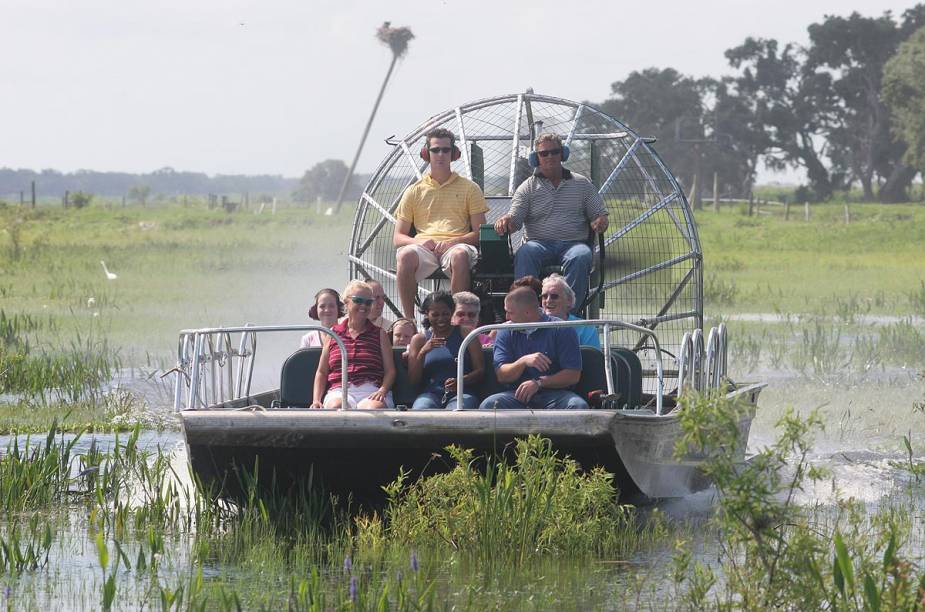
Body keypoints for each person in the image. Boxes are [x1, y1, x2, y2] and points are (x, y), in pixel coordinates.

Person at [494, 133, 609, 312]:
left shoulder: (582, 184)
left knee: (581, 256)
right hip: (538, 244)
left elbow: (599, 214)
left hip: (573, 244)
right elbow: (515, 220)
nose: (550, 157)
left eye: (554, 152)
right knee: (525, 253)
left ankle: (568, 314)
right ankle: (527, 310)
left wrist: (600, 222)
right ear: (536, 158)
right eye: (544, 153)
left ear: (562, 154)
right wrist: (506, 221)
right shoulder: (527, 187)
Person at [393, 128, 489, 319]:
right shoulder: (413, 191)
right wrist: (419, 242)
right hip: (424, 248)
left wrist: (453, 242)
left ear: (454, 154)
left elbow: (480, 233)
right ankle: (409, 320)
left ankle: (456, 318)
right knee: (404, 255)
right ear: (426, 153)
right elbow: (397, 237)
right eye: (435, 150)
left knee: (460, 254)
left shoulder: (470, 188)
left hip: (455, 246)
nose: (440, 155)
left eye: (446, 150)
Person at [479, 287, 588, 410]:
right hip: (516, 395)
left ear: (527, 313)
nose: (506, 317)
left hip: (555, 394)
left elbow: (573, 375)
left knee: (578, 406)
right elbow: (502, 375)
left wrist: (539, 383)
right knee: (489, 405)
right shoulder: (505, 331)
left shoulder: (562, 329)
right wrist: (523, 361)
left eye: (510, 312)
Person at [312, 280, 395, 409]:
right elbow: (322, 372)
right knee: (337, 406)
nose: (364, 306)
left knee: (372, 410)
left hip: (371, 389)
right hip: (339, 390)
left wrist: (382, 390)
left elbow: (390, 371)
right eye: (358, 300)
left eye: (368, 302)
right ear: (346, 302)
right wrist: (316, 400)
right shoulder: (333, 334)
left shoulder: (380, 334)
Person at [407, 291, 484, 410]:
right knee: (421, 410)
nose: (441, 319)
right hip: (430, 394)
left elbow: (480, 371)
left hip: (462, 394)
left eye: (445, 314)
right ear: (427, 314)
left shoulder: (466, 333)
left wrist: (461, 381)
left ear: (452, 312)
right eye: (435, 315)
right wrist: (423, 352)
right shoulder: (419, 340)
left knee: (455, 413)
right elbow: (413, 381)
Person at [541, 274, 600, 349]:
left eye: (554, 296)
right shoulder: (532, 326)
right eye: (544, 296)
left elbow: (593, 359)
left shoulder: (586, 329)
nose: (548, 300)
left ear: (569, 300)